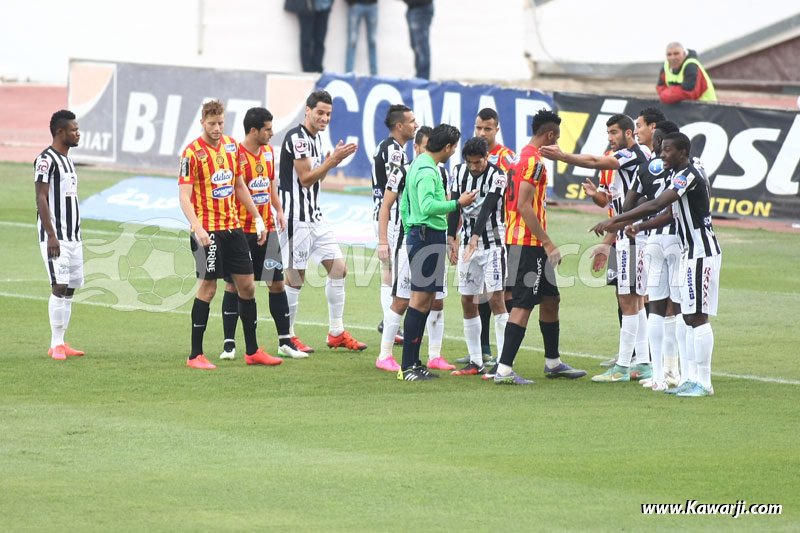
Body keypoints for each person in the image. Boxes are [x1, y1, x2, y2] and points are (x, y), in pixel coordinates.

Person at [590, 132, 721, 397]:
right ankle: (692, 378)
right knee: (688, 315)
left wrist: (616, 220)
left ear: (682, 152)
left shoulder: (689, 173)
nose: (662, 154)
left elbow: (658, 202)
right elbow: (669, 213)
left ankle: (704, 383)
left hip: (701, 252)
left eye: (667, 150)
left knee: (698, 316)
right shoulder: (678, 175)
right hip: (688, 252)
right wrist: (639, 226)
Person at [540, 113, 650, 384]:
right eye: (608, 133)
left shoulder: (632, 155)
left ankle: (625, 366)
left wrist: (563, 157)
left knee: (629, 301)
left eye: (614, 132)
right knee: (634, 300)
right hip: (628, 233)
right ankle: (644, 363)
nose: (610, 138)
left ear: (628, 133)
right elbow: (614, 200)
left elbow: (593, 160)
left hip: (631, 235)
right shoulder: (630, 160)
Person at [178, 100, 281, 370]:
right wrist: (198, 227)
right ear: (202, 122)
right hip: (207, 233)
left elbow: (239, 186)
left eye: (221, 123)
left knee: (247, 286)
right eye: (212, 123)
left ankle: (252, 350)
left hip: (234, 229)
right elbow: (184, 197)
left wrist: (258, 218)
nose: (217, 128)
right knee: (209, 288)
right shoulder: (191, 154)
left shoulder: (232, 147)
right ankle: (195, 355)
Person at [492, 109, 586, 385]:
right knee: (523, 304)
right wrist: (547, 242)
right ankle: (504, 370)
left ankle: (553, 362)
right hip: (527, 243)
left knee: (551, 299)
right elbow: (523, 205)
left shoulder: (517, 157)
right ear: (549, 135)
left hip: (521, 240)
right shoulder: (534, 162)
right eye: (556, 140)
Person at [279, 90, 367, 353]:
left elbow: (313, 180)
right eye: (320, 112)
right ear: (307, 110)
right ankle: (288, 336)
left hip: (314, 216)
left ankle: (336, 332)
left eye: (328, 114)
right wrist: (332, 161)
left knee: (338, 268)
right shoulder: (298, 139)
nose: (325, 118)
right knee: (295, 277)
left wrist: (329, 162)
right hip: (296, 216)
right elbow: (305, 179)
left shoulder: (315, 139)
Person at [218, 107, 307, 362]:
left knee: (277, 283)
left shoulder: (268, 152)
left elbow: (269, 185)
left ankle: (284, 342)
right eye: (267, 129)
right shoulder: (236, 154)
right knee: (235, 286)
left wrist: (277, 210)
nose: (271, 133)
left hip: (267, 229)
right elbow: (235, 189)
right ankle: (229, 344)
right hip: (241, 232)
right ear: (254, 130)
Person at [397, 124, 478, 381]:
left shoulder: (421, 164)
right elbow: (427, 204)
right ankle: (407, 367)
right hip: (425, 236)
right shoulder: (426, 171)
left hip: (425, 235)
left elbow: (406, 205)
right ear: (447, 147)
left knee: (425, 301)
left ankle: (414, 362)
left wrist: (410, 225)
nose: (454, 152)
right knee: (419, 301)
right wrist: (458, 203)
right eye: (453, 148)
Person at [377, 126, 455, 372]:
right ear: (418, 147)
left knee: (433, 300)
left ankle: (430, 357)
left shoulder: (440, 172)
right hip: (410, 240)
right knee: (405, 300)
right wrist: (382, 240)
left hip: (433, 237)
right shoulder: (406, 170)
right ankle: (387, 355)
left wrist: (453, 238)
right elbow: (386, 205)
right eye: (420, 145)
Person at [621, 119, 683, 390]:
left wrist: (627, 222)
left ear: (658, 141)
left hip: (652, 240)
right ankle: (676, 370)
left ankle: (658, 374)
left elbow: (629, 203)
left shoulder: (645, 168)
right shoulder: (690, 168)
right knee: (680, 309)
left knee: (655, 306)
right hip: (683, 240)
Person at [446, 137, 508, 376]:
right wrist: (451, 238)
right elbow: (454, 204)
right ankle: (475, 361)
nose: (473, 167)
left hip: (492, 244)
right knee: (467, 300)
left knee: (496, 300)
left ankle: (503, 362)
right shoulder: (458, 172)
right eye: (470, 162)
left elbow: (488, 208)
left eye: (478, 162)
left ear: (486, 157)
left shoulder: (498, 175)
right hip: (467, 246)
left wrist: (474, 238)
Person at [465, 107, 516, 365]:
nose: (482, 133)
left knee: (499, 294)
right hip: (475, 237)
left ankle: (501, 353)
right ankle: (482, 349)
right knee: (477, 294)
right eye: (478, 128)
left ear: (497, 129)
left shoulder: (507, 159)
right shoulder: (470, 156)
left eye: (487, 128)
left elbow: (514, 197)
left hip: (500, 233)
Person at [35, 110, 85, 361]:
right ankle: (55, 344)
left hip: (74, 237)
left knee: (71, 288)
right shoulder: (46, 160)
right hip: (56, 237)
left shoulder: (68, 160)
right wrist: (51, 235)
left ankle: (63, 342)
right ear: (60, 132)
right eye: (74, 129)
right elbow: (41, 197)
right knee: (59, 285)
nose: (78, 133)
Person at [373, 104, 417, 345]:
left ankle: (389, 320)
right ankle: (389, 321)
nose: (416, 125)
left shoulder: (386, 147)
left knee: (389, 270)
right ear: (399, 126)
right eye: (411, 121)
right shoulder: (396, 153)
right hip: (388, 216)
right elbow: (394, 188)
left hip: (384, 213)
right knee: (391, 271)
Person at [285, 0, 333, 73]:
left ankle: (318, 69)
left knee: (320, 40)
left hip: (324, 6)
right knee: (306, 39)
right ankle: (307, 70)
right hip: (307, 6)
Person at [345, 0, 378, 75]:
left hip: (372, 5)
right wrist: (350, 2)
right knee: (352, 41)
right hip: (356, 5)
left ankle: (374, 74)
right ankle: (348, 73)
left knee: (373, 42)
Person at [403, 0, 434, 79]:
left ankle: (423, 80)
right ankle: (420, 78)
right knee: (416, 47)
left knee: (421, 48)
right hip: (413, 8)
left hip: (420, 8)